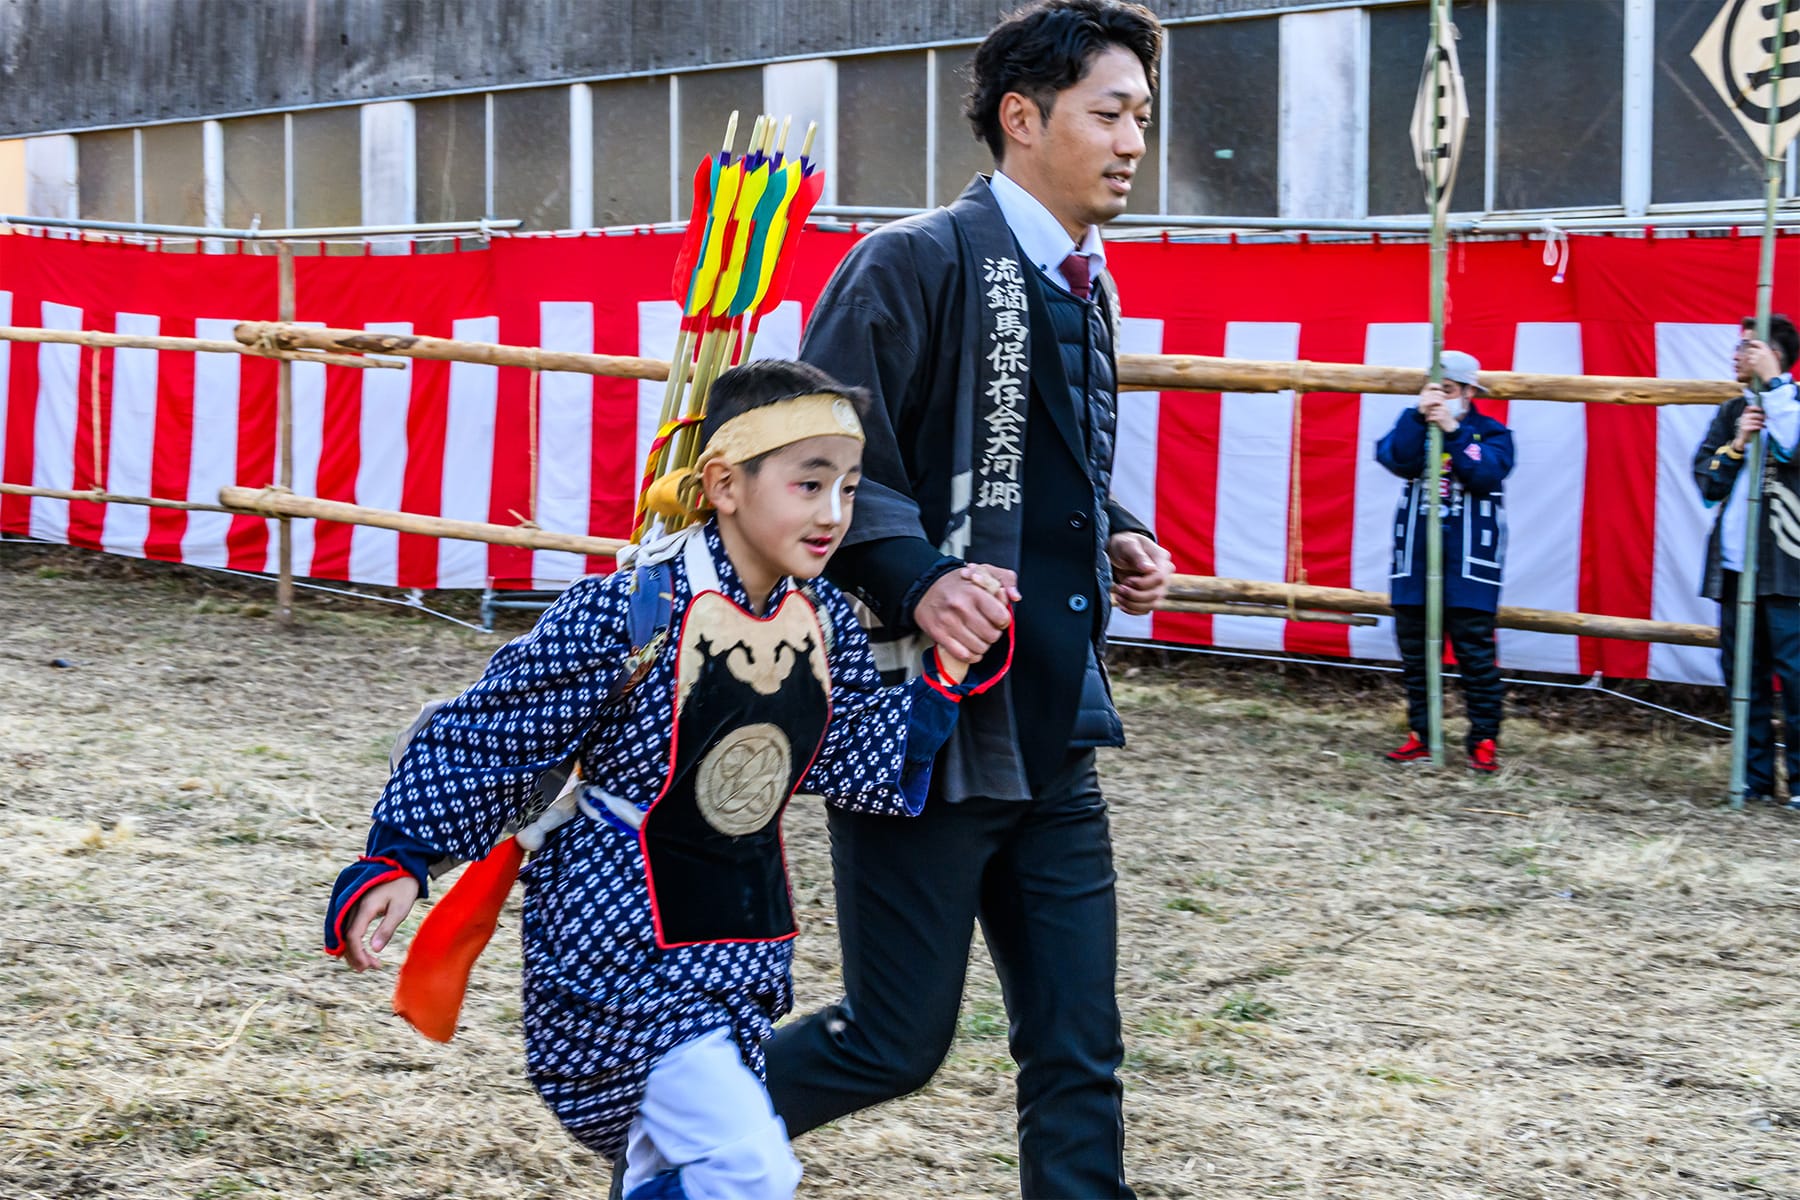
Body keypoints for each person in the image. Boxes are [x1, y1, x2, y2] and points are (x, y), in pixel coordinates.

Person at [322, 360, 1009, 1200]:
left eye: (849, 487)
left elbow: (853, 753)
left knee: (681, 1173)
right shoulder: (631, 609)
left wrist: (948, 671)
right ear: (724, 485)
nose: (833, 513)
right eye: (808, 484)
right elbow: (490, 734)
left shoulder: (824, 618)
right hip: (618, 943)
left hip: (742, 941)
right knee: (749, 1171)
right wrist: (397, 858)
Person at [762, 4, 1173, 1197]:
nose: (1133, 141)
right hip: (924, 730)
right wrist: (921, 577)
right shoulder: (912, 261)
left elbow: (1040, 466)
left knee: (1080, 1050)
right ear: (1022, 117)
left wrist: (1114, 526)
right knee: (892, 1043)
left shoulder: (1084, 281)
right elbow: (814, 461)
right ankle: (672, 1133)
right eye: (1111, 112)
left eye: (1142, 116)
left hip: (1053, 726)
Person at [1376, 349, 1515, 773]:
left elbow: (1487, 472)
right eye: (1433, 389)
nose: (1438, 398)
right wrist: (1419, 417)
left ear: (1470, 392)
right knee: (1417, 657)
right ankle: (1422, 734)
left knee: (1475, 657)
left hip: (1469, 564)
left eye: (1448, 390)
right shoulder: (1413, 425)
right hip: (1417, 560)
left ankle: (1484, 738)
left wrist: (1453, 430)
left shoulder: (1492, 433)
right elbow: (1394, 458)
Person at [1693, 315, 1800, 808]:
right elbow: (1707, 483)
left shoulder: (1793, 405)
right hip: (1737, 569)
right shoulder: (1733, 411)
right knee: (1743, 679)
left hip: (1788, 570)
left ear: (1772, 354)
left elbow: (1793, 446)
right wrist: (1736, 444)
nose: (1736, 356)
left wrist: (1775, 389)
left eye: (1746, 348)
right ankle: (1752, 779)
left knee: (1795, 680)